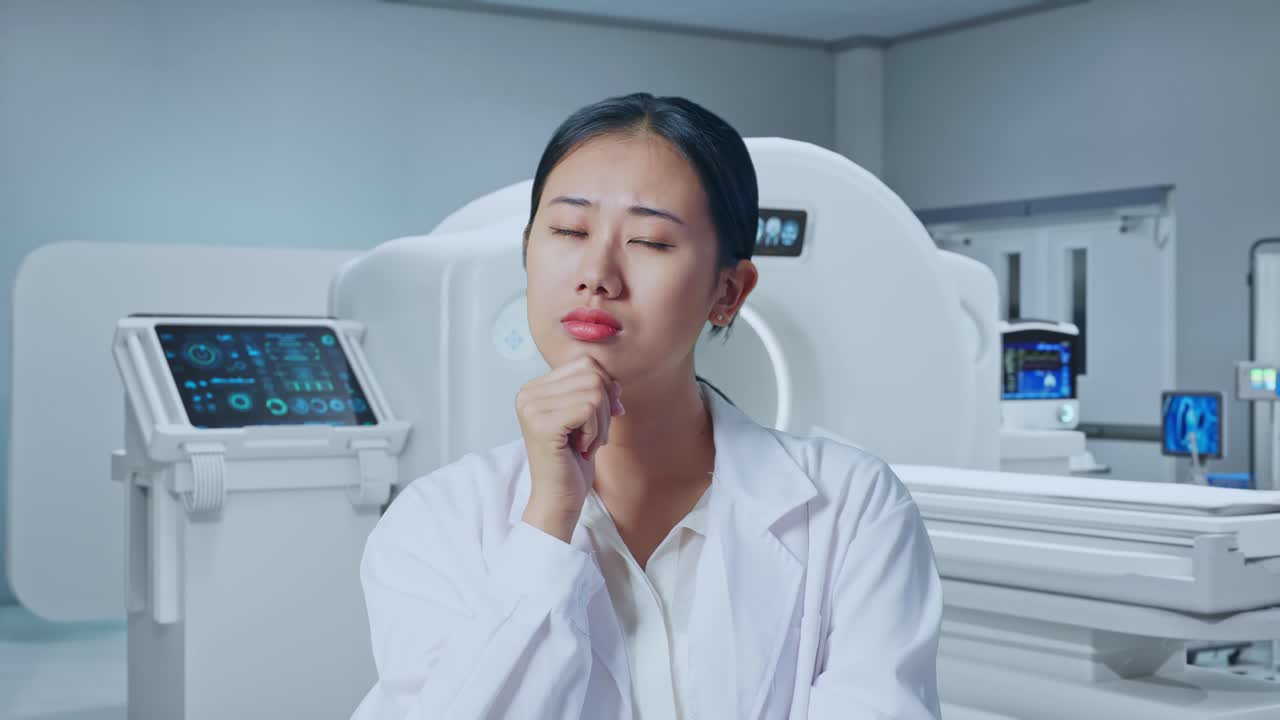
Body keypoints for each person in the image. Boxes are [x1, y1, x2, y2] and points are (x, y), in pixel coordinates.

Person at [352, 93, 942, 719]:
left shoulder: (853, 509)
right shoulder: (436, 522)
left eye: (652, 241)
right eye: (569, 231)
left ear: (728, 291)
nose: (597, 274)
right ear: (528, 252)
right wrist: (549, 521)